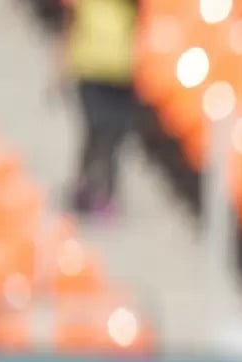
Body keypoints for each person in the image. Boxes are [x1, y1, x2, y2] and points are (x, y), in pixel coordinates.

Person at [56, 0, 141, 218]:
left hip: (122, 72)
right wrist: (61, 66)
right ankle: (85, 186)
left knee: (114, 135)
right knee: (95, 130)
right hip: (91, 70)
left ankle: (107, 193)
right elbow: (69, 25)